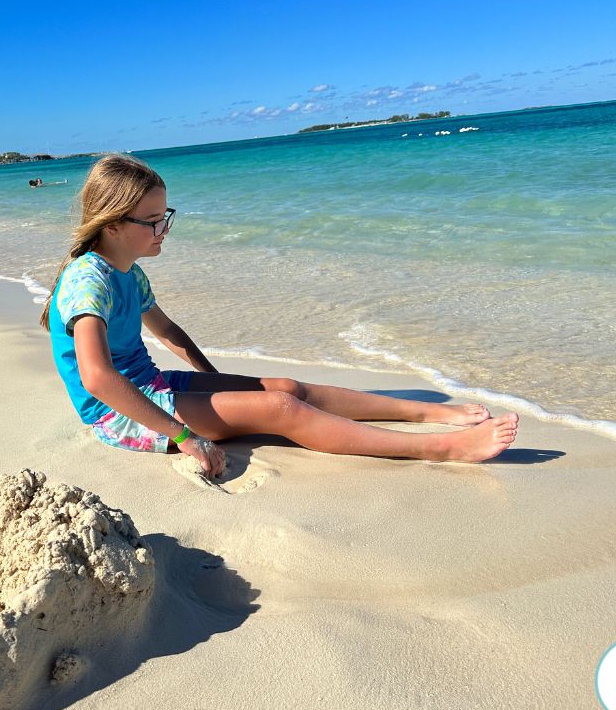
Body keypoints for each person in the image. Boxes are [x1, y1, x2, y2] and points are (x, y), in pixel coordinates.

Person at [40, 154, 519, 476]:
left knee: (288, 388)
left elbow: (169, 333)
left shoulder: (127, 271)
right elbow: (98, 379)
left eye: (167, 216)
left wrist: (219, 380)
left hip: (154, 387)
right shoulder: (89, 279)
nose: (165, 229)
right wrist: (185, 436)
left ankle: (426, 412)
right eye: (154, 221)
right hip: (121, 413)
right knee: (281, 410)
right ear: (115, 224)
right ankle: (439, 448)